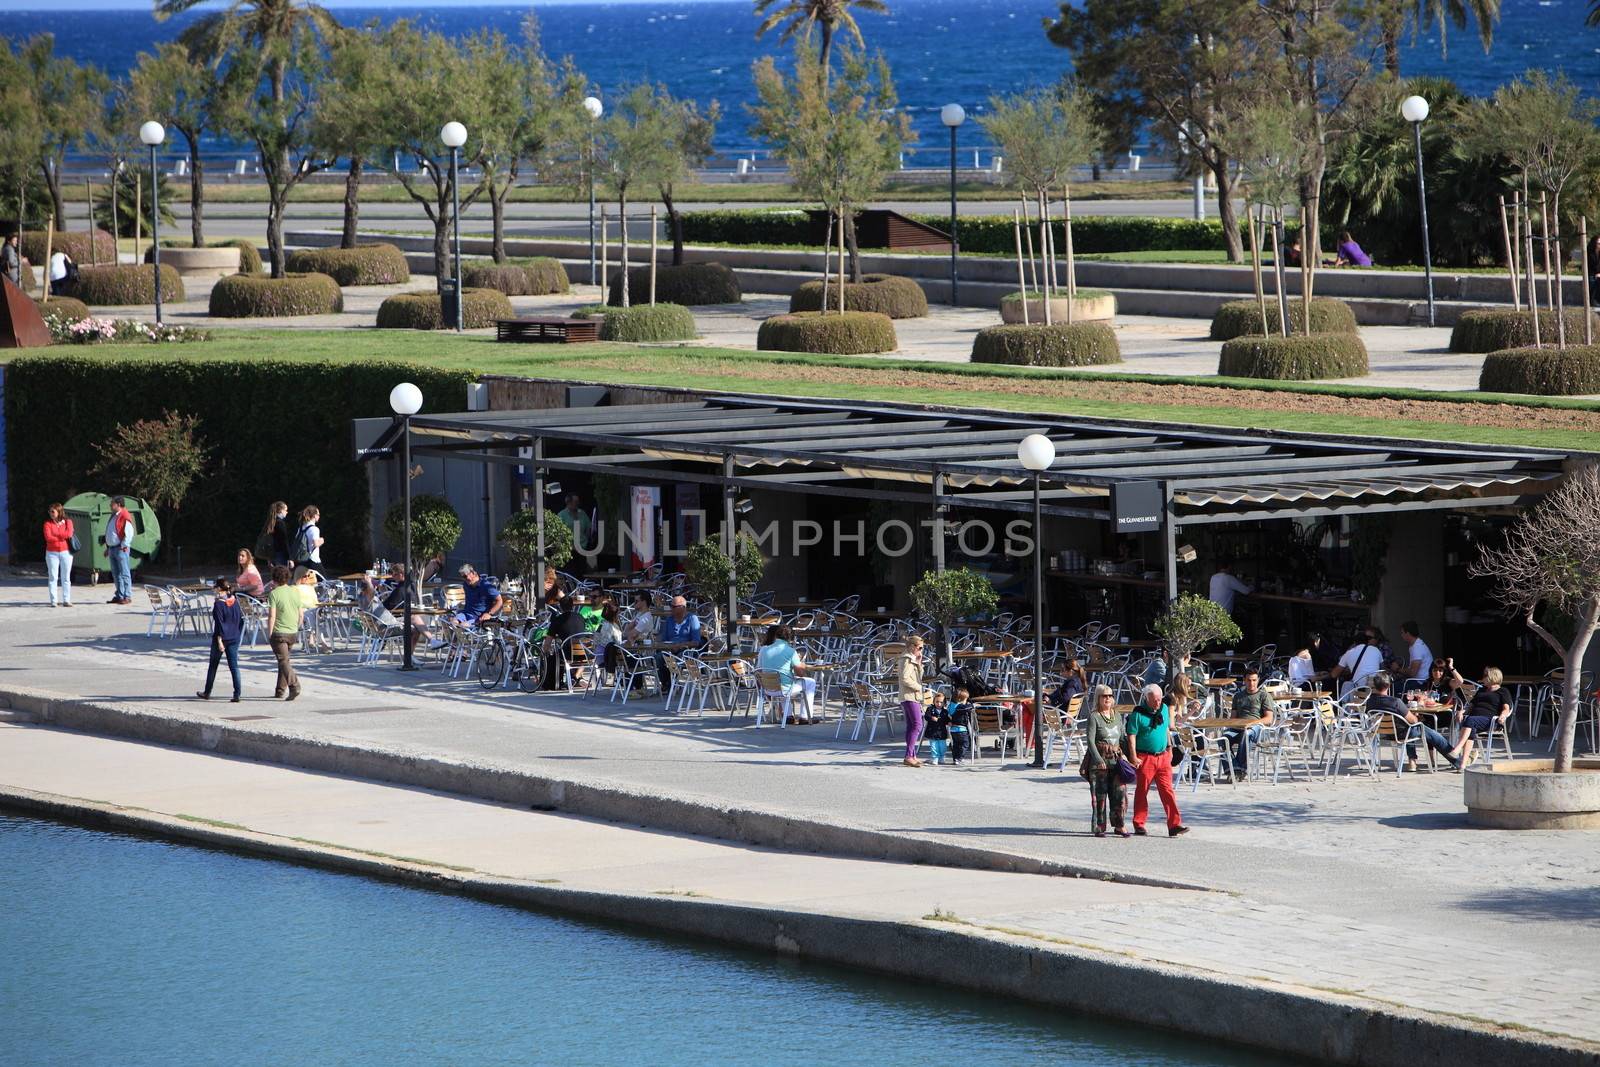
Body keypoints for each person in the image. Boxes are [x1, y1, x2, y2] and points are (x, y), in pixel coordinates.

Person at [1127, 683, 1187, 837]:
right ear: (1146, 698)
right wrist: (1133, 756)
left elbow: (1166, 728)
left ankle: (1174, 824)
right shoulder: (1137, 714)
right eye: (1154, 700)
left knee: (1168, 791)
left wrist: (1169, 748)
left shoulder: (1164, 709)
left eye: (1159, 699)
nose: (1157, 703)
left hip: (1163, 756)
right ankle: (1139, 823)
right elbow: (1131, 736)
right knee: (1142, 791)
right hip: (1145, 757)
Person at [1366, 672, 1459, 772]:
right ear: (1389, 685)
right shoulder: (1395, 702)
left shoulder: (1370, 701)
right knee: (1428, 732)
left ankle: (1412, 762)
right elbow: (1413, 720)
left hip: (1382, 733)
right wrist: (1417, 716)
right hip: (1401, 733)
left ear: (1375, 685)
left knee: (1409, 727)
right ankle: (1456, 761)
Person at [1082, 684, 1129, 838]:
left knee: (1120, 794)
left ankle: (1119, 825)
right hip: (1099, 762)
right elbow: (1090, 740)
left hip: (1116, 761)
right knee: (1099, 796)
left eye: (1110, 695)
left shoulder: (1117, 716)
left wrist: (1132, 756)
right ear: (1098, 698)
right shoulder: (1094, 716)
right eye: (1104, 696)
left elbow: (1122, 738)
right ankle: (1099, 826)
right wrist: (1098, 758)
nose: (1107, 698)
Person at [1448, 667, 1513, 766]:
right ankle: (1463, 764)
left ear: (1493, 677)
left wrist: (1503, 716)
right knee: (1469, 725)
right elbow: (1471, 706)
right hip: (1473, 720)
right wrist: (1461, 711)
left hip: (1490, 720)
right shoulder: (1482, 690)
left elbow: (1506, 708)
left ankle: (1457, 748)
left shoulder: (1503, 691)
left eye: (1485, 676)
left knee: (1469, 721)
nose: (1483, 678)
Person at [755, 623, 817, 725]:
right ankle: (805, 716)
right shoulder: (791, 651)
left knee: (783, 680)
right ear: (789, 638)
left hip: (768, 688)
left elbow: (759, 670)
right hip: (784, 689)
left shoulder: (763, 649)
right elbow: (800, 674)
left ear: (776, 635)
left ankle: (788, 716)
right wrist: (802, 666)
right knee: (810, 682)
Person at [196, 578, 244, 703]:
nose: (213, 590)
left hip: (222, 638)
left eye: (214, 587)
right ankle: (237, 693)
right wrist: (237, 634)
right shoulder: (234, 601)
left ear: (218, 589)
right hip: (234, 637)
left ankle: (207, 692)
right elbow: (240, 620)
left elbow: (219, 625)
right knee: (234, 666)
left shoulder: (219, 604)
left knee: (213, 665)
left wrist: (219, 641)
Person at [1226, 669, 1276, 778]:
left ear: (1258, 680)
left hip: (1256, 728)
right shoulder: (1238, 696)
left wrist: (1253, 723)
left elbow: (1269, 719)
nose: (1251, 683)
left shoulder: (1264, 696)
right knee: (1223, 739)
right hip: (1238, 727)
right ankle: (1233, 768)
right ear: (1244, 680)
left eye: (1254, 680)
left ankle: (1241, 769)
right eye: (1249, 680)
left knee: (1246, 734)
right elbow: (1233, 717)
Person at [265, 565, 303, 700]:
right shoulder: (294, 591)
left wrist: (269, 633)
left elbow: (272, 616)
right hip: (292, 632)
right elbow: (301, 615)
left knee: (283, 661)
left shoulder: (274, 594)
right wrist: (296, 627)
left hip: (279, 632)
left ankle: (294, 685)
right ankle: (280, 690)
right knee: (284, 661)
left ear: (274, 579)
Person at [654, 595, 704, 690]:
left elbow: (696, 642)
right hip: (670, 649)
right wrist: (657, 641)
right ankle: (666, 683)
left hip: (686, 650)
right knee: (658, 657)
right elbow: (663, 638)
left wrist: (681, 645)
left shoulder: (692, 619)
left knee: (677, 659)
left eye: (673, 606)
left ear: (683, 607)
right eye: (670, 606)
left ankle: (673, 683)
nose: (671, 608)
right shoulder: (669, 620)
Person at [898, 635, 929, 767]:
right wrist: (919, 688)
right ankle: (909, 755)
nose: (921, 650)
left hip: (911, 696)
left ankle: (911, 755)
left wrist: (919, 663)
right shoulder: (906, 659)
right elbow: (905, 678)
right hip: (910, 696)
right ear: (912, 646)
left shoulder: (912, 659)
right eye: (919, 648)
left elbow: (917, 676)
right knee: (917, 725)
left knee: (912, 726)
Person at [1330, 628, 1385, 696]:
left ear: (1354, 643)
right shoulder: (1376, 650)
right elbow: (1382, 669)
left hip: (1360, 690)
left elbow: (1333, 675)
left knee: (1347, 685)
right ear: (1367, 641)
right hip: (1377, 688)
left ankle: (1345, 705)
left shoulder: (1349, 653)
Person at [43, 503, 75, 608]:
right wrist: (61, 536)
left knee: (66, 577)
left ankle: (66, 600)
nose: (51, 513)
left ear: (59, 512)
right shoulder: (47, 524)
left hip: (66, 552)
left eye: (53, 511)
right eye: (50, 511)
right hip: (52, 553)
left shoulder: (68, 522)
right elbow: (48, 538)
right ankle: (54, 601)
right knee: (53, 577)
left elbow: (69, 534)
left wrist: (56, 535)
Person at [104, 495, 134, 605]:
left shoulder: (124, 515)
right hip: (112, 548)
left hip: (120, 548)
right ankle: (119, 595)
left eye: (112, 503)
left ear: (119, 504)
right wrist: (108, 548)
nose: (110, 505)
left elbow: (129, 533)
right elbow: (111, 532)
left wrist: (123, 546)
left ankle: (127, 596)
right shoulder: (114, 515)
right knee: (116, 574)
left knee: (124, 573)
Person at [291, 505, 323, 579]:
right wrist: (322, 540)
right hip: (313, 560)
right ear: (314, 516)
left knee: (304, 582)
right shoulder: (314, 529)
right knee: (323, 582)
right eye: (318, 514)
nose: (319, 516)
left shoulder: (301, 528)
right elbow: (316, 543)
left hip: (302, 560)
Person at [595, 601, 624, 681]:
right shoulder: (613, 627)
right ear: (615, 615)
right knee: (630, 659)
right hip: (607, 658)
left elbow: (596, 640)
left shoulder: (601, 624)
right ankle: (627, 681)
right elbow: (618, 644)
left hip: (597, 656)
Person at [557, 494, 593, 558]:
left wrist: (586, 540)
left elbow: (589, 528)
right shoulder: (561, 515)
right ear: (568, 502)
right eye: (576, 502)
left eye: (578, 501)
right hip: (568, 551)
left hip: (583, 548)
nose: (578, 503)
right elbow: (559, 534)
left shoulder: (582, 513)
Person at [1399, 621, 1433, 685]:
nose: (1401, 635)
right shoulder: (1414, 645)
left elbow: (1412, 673)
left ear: (1408, 633)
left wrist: (1398, 669)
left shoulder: (1417, 648)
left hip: (1421, 683)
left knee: (1393, 687)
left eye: (1402, 633)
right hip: (1418, 680)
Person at [923, 692, 952, 764]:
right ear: (934, 701)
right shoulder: (930, 709)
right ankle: (935, 758)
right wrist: (931, 718)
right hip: (932, 731)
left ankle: (941, 757)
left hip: (941, 732)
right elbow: (926, 716)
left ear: (944, 703)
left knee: (943, 746)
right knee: (934, 746)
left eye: (941, 702)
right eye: (937, 702)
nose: (939, 704)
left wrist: (949, 722)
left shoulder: (945, 711)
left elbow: (946, 720)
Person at [947, 687, 974, 765]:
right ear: (960, 699)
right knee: (965, 744)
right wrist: (972, 705)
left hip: (953, 730)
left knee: (956, 745)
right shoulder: (959, 707)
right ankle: (960, 758)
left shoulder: (951, 705)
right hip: (961, 730)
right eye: (965, 699)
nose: (966, 701)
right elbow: (967, 708)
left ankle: (955, 759)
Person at [260, 501, 291, 567]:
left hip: (272, 553)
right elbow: (284, 541)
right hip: (281, 554)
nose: (286, 512)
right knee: (282, 575)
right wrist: (289, 557)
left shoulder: (271, 522)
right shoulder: (280, 523)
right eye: (285, 510)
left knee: (276, 574)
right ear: (280, 510)